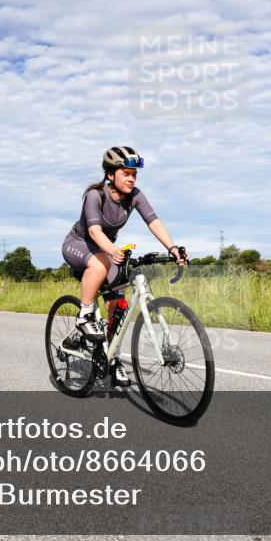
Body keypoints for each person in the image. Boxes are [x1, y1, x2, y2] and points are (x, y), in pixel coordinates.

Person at [60, 146, 187, 387]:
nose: (131, 179)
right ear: (110, 175)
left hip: (106, 250)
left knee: (118, 306)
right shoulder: (95, 195)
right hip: (79, 245)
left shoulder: (135, 195)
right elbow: (94, 231)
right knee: (101, 265)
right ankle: (84, 316)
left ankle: (112, 357)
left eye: (134, 174)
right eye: (126, 173)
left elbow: (153, 222)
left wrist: (172, 248)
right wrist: (112, 250)